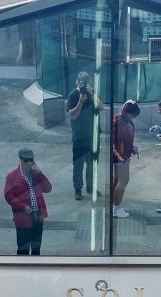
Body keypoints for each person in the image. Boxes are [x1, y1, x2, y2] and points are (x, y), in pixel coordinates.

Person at [3, 147, 52, 256]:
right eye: (26, 161)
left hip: (38, 216)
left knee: (36, 248)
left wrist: (40, 174)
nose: (29, 163)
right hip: (23, 217)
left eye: (31, 160)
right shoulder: (12, 177)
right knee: (23, 248)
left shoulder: (36, 174)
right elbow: (8, 196)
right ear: (20, 160)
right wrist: (23, 206)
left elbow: (48, 188)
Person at [67, 71, 103, 201]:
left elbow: (101, 107)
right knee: (78, 165)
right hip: (79, 137)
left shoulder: (92, 93)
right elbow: (73, 115)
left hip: (93, 137)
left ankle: (91, 187)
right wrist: (81, 102)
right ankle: (78, 189)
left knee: (92, 164)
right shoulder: (73, 95)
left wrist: (92, 94)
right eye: (82, 82)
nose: (83, 84)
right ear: (77, 82)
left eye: (86, 82)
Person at [111, 100, 141, 218]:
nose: (133, 117)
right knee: (123, 181)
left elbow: (123, 141)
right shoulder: (120, 123)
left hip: (122, 155)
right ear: (127, 112)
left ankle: (115, 205)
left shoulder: (121, 120)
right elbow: (115, 143)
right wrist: (122, 158)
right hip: (121, 157)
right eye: (133, 115)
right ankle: (116, 208)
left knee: (118, 180)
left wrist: (132, 148)